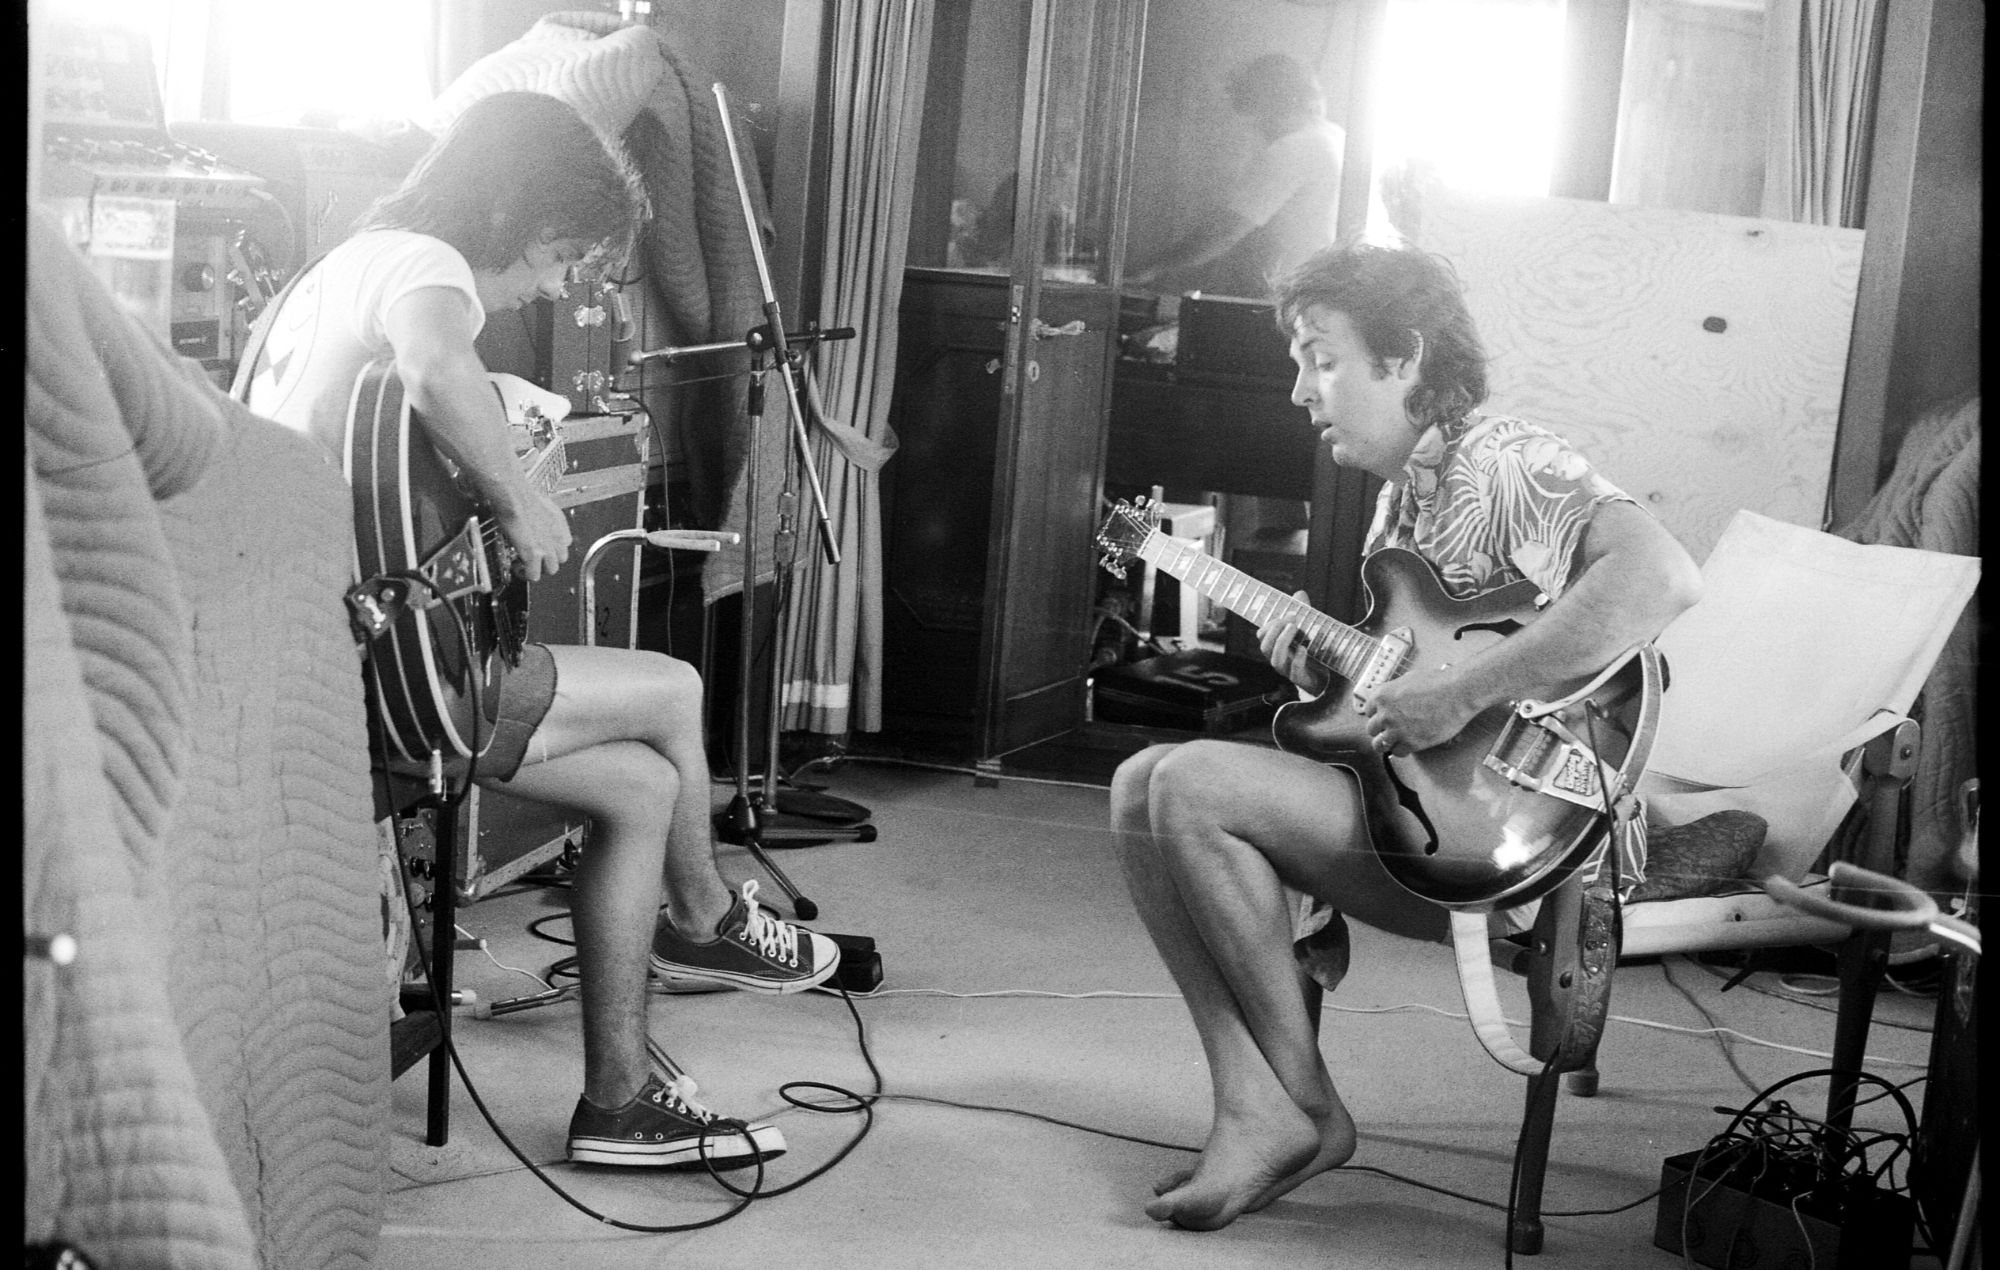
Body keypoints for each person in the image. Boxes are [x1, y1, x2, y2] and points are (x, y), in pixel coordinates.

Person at [242, 90, 838, 1172]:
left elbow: (371, 461)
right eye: (563, 252)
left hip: (306, 649)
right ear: (512, 212)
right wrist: (517, 497)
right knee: (671, 689)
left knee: (644, 787)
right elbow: (432, 367)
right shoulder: (427, 263)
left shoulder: (335, 267)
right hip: (368, 671)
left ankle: (617, 1102)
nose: (558, 283)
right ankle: (703, 913)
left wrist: (485, 492)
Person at [1108, 240, 1703, 1230]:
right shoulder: (1398, 505)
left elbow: (1661, 579)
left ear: (1404, 357)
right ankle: (1253, 1102)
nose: (1301, 389)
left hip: (1521, 838)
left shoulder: (1509, 459)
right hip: (1424, 817)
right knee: (1138, 782)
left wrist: (1464, 694)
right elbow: (1401, 695)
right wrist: (1323, 671)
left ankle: (1297, 1108)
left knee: (1190, 786)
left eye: (1321, 358)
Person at [1126, 53, 1346, 298]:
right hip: (1317, 290)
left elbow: (1225, 231)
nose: (1255, 128)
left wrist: (1149, 269)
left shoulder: (1295, 148)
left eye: (1252, 112)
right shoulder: (1336, 137)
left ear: (1270, 103)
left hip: (1293, 293)